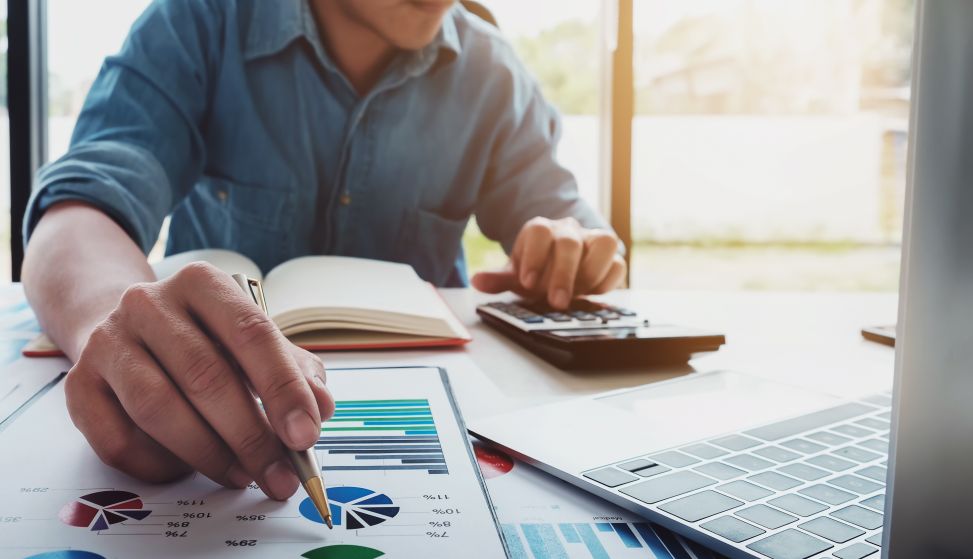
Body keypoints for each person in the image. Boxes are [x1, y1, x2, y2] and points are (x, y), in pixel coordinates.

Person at [21, 0, 625, 501]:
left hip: (441, 413)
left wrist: (578, 253)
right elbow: (81, 204)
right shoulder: (198, 21)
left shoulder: (493, 70)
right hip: (220, 406)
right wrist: (118, 324)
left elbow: (574, 226)